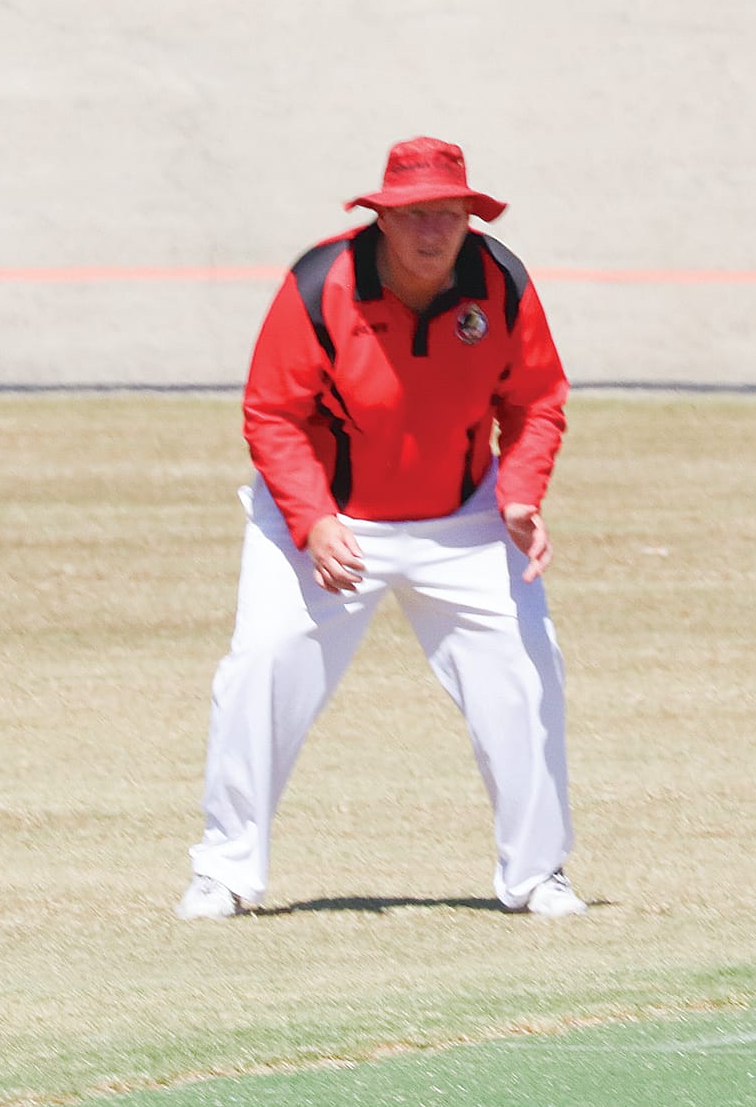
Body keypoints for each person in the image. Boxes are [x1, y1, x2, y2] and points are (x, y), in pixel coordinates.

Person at [177, 137, 586, 920]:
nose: (433, 230)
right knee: (261, 664)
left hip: (466, 512)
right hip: (329, 513)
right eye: (415, 214)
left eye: (449, 213)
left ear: (470, 216)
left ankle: (538, 875)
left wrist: (522, 496)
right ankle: (224, 871)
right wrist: (312, 519)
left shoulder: (500, 282)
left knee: (529, 672)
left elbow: (536, 401)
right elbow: (272, 412)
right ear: (382, 219)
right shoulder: (320, 282)